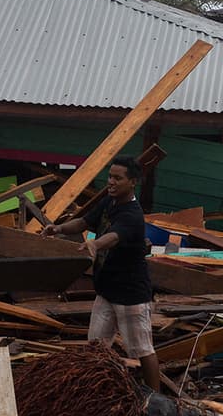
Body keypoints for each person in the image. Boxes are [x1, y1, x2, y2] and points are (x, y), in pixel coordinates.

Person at [42, 156, 159, 392]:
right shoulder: (109, 202)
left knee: (142, 349)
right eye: (110, 177)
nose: (111, 182)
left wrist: (95, 245)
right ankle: (95, 389)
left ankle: (158, 397)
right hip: (106, 290)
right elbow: (84, 222)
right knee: (95, 346)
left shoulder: (132, 214)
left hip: (130, 293)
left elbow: (114, 237)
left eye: (118, 178)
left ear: (132, 182)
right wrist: (59, 229)